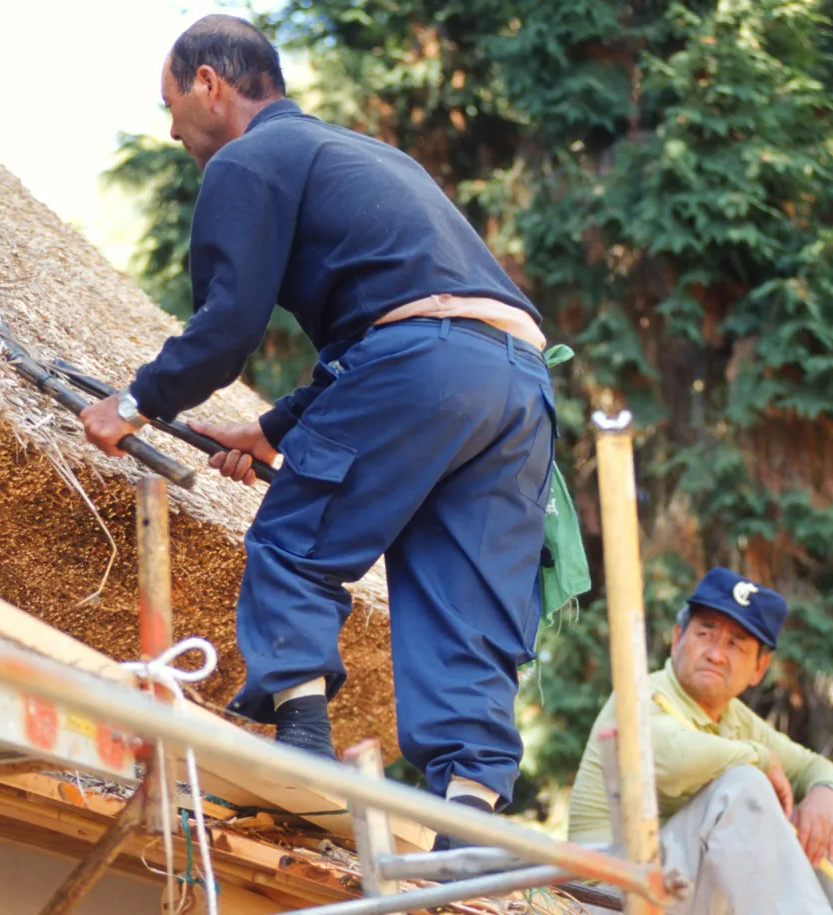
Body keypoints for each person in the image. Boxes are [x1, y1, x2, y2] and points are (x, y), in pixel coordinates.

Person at [79, 14, 554, 836]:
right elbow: (387, 323)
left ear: (209, 84)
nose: (171, 129)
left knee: (297, 539)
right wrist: (273, 429)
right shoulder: (369, 156)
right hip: (518, 383)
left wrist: (132, 405)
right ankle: (468, 825)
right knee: (463, 599)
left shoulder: (248, 159)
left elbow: (227, 329)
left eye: (170, 103)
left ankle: (302, 734)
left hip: (422, 361)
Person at [567, 568, 833, 914]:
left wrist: (827, 790)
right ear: (677, 639)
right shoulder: (640, 694)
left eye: (735, 644)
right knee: (741, 785)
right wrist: (759, 759)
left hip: (673, 892)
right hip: (609, 897)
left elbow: (811, 766)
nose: (716, 653)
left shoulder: (737, 721)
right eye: (705, 632)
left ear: (759, 669)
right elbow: (674, 756)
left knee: (829, 827)